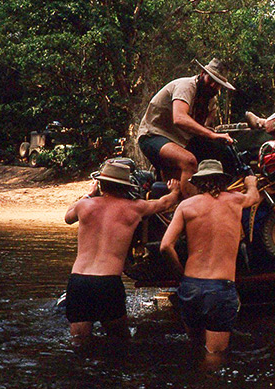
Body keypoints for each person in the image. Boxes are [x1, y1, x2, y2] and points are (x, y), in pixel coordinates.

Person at [64, 161, 180, 343]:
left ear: (101, 184)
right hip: (108, 282)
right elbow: (164, 204)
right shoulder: (135, 208)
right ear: (126, 186)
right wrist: (175, 190)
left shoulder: (84, 205)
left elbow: (68, 217)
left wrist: (88, 194)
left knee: (79, 341)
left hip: (78, 280)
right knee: (119, 339)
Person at [160, 159, 260, 356]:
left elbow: (165, 246)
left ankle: (193, 385)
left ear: (197, 183)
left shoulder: (186, 205)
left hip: (191, 286)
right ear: (223, 182)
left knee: (194, 347)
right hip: (220, 289)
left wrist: (181, 274)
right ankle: (212, 386)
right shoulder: (236, 200)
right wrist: (251, 184)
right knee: (214, 355)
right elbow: (254, 198)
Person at [137, 58, 236, 198]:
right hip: (154, 136)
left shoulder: (211, 102)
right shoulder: (186, 87)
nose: (213, 85)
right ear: (202, 73)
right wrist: (211, 134)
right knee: (188, 161)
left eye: (218, 84)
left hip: (181, 141)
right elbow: (179, 118)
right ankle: (192, 211)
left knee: (217, 156)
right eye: (211, 79)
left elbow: (203, 128)